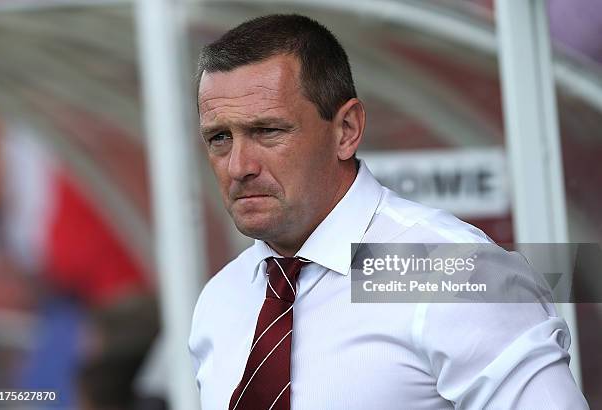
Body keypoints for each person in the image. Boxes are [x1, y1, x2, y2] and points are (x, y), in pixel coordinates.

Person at [188, 14, 589, 410]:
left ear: (346, 130)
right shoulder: (223, 297)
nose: (239, 166)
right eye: (219, 137)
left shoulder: (452, 271)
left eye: (267, 131)